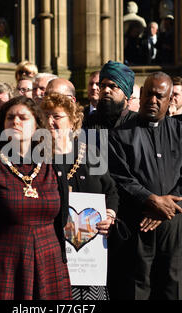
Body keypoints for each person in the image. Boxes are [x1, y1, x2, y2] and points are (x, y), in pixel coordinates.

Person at [107, 71, 182, 300]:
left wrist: (167, 207)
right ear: (140, 97)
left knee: (173, 284)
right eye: (148, 94)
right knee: (136, 286)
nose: (153, 100)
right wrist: (151, 200)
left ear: (170, 100)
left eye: (159, 96)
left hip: (173, 222)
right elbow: (119, 176)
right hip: (136, 222)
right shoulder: (120, 134)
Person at [0, 96, 72, 300]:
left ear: (37, 126)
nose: (15, 122)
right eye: (10, 118)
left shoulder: (53, 167)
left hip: (49, 260)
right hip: (3, 263)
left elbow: (63, 216)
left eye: (23, 117)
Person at [40, 93, 118, 300]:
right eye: (45, 116)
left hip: (89, 261)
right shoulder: (33, 155)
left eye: (56, 116)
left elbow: (110, 191)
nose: (49, 122)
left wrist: (109, 215)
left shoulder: (90, 153)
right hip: (48, 252)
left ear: (72, 121)